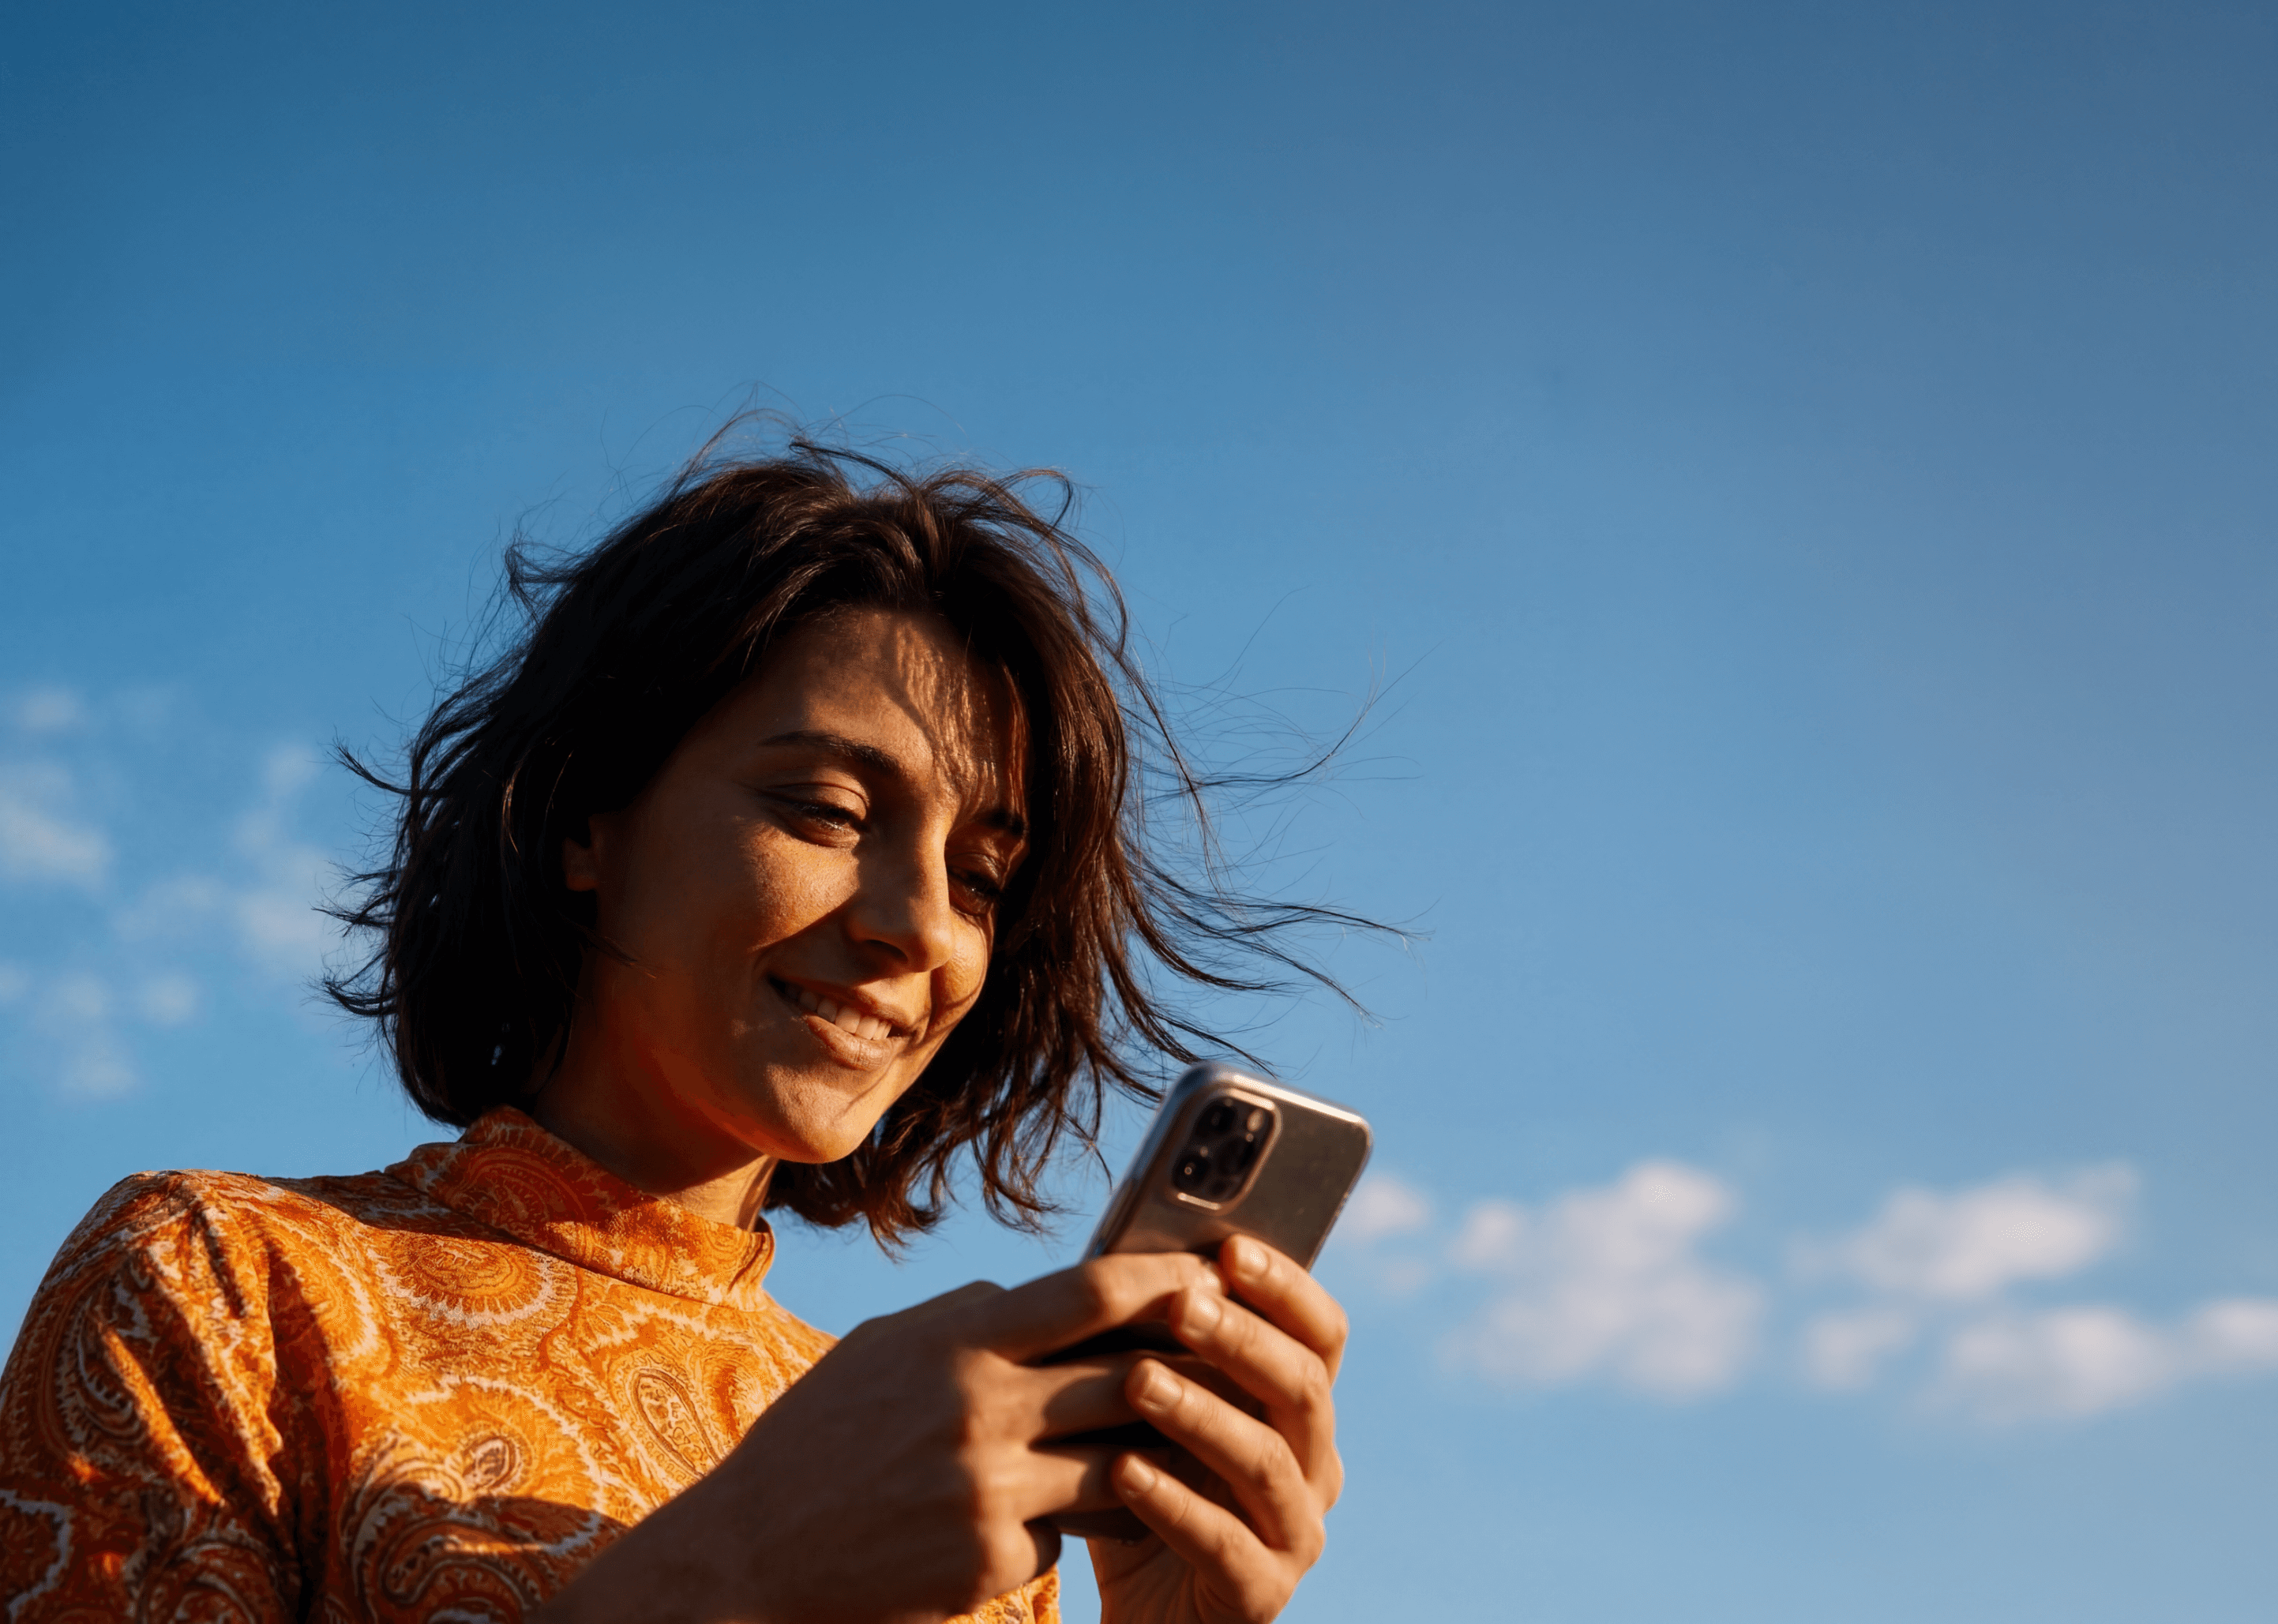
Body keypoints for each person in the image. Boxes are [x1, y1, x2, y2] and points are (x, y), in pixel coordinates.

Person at [0, 440, 1359, 1623]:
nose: (923, 927)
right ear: (589, 816)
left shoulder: (965, 1483)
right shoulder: (221, 1286)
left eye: (982, 877)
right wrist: (737, 1573)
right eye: (827, 811)